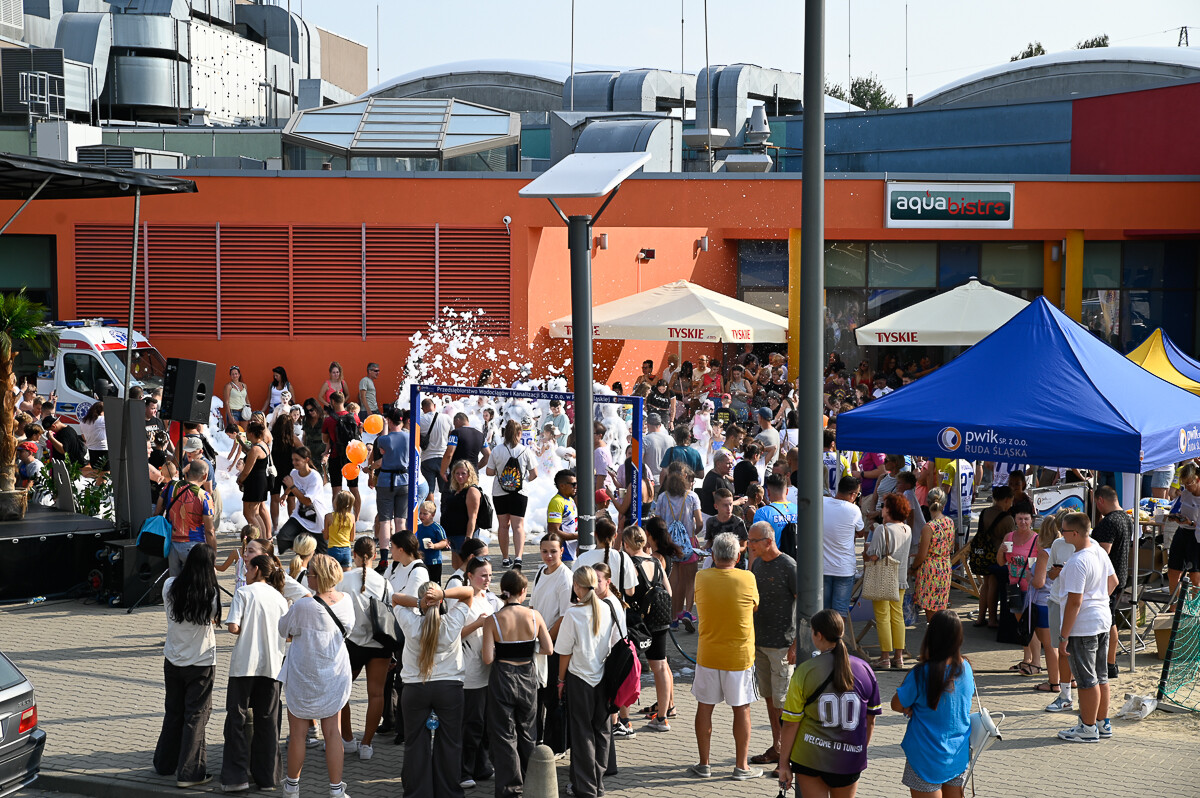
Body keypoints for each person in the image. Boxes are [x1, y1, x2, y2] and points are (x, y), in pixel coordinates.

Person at [777, 609, 881, 798]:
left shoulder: (805, 671)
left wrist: (783, 764)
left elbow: (791, 722)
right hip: (849, 759)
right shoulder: (865, 669)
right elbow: (870, 720)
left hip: (810, 757)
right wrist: (857, 752)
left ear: (819, 635)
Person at [278, 554, 354, 797]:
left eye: (309, 572)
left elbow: (283, 629)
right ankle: (336, 789)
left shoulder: (302, 605)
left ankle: (291, 787)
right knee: (333, 732)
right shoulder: (346, 601)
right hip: (334, 671)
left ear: (317, 576)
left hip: (303, 673)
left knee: (298, 733)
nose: (307, 574)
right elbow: (349, 630)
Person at [689, 532, 761, 780]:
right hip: (739, 655)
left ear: (713, 554)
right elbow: (754, 607)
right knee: (742, 709)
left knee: (704, 707)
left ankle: (704, 763)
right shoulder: (747, 578)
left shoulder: (701, 577)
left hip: (708, 653)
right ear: (738, 555)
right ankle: (742, 766)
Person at [393, 579, 474, 798]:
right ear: (440, 602)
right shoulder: (452, 622)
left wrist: (421, 602)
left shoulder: (410, 621)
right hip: (449, 688)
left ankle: (418, 793)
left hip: (415, 688)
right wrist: (442, 594)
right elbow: (469, 593)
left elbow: (395, 599)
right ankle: (448, 792)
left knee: (415, 743)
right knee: (450, 742)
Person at [154, 544, 221, 789]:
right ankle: (190, 772)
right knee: (196, 715)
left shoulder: (170, 586)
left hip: (172, 659)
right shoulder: (210, 594)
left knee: (173, 711)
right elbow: (213, 618)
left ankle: (164, 763)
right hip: (201, 662)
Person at [482, 569, 554, 798]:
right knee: (527, 730)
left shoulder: (493, 620)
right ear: (523, 592)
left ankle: (509, 788)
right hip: (527, 675)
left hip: (502, 675)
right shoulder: (535, 616)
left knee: (504, 733)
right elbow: (548, 649)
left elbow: (487, 658)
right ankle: (530, 778)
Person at [220, 553, 288, 792]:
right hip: (272, 666)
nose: (245, 573)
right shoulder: (280, 598)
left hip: (244, 665)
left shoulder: (243, 593)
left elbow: (233, 627)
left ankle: (235, 777)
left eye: (247, 569)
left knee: (236, 720)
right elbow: (286, 632)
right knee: (268, 721)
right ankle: (268, 777)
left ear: (257, 569)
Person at [891, 611, 974, 797]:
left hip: (924, 757)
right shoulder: (966, 668)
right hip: (957, 755)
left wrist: (908, 708)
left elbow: (896, 704)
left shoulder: (921, 673)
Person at [1054, 512, 1118, 743]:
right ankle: (1101, 723)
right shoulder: (1099, 551)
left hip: (1084, 627)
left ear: (1074, 533)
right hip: (1102, 620)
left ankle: (1088, 727)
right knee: (1101, 676)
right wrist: (1099, 600)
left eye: (1063, 531)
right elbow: (1113, 582)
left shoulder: (1076, 561)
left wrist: (1063, 635)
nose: (1061, 535)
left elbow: (1075, 602)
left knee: (1086, 679)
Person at [557, 566, 620, 798]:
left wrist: (560, 681)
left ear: (576, 586)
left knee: (582, 733)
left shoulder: (574, 613)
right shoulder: (608, 608)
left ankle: (585, 788)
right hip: (603, 677)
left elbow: (564, 652)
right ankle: (598, 784)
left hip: (579, 679)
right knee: (602, 732)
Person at [747, 520, 797, 774]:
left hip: (782, 646)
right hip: (760, 643)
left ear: (768, 541)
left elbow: (804, 605)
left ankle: (787, 757)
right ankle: (777, 747)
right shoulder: (755, 564)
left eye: (753, 541)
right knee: (769, 699)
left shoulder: (789, 566)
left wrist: (797, 644)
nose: (749, 545)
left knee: (783, 703)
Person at [334, 537, 390, 763]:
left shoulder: (344, 579)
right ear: (375, 555)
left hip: (353, 642)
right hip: (380, 643)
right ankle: (367, 743)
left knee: (342, 692)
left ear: (354, 554)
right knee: (376, 694)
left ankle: (347, 739)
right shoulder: (384, 581)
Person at [623, 524, 675, 732]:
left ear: (626, 543)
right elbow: (669, 592)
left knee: (629, 665)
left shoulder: (630, 564)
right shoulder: (656, 561)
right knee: (660, 666)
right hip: (659, 620)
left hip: (638, 623)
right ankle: (662, 717)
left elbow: (629, 591)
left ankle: (624, 717)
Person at [459, 557, 501, 789]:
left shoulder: (488, 599)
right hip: (470, 675)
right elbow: (453, 635)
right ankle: (463, 771)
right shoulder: (464, 602)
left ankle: (481, 766)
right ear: (470, 576)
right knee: (471, 725)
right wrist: (477, 624)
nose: (487, 580)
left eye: (490, 575)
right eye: (483, 575)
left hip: (488, 672)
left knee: (485, 724)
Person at [531, 532, 573, 744]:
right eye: (544, 551)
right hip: (537, 642)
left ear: (562, 551)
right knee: (537, 693)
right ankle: (537, 738)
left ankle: (556, 744)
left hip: (553, 644)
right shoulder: (540, 571)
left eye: (553, 552)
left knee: (552, 695)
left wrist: (545, 639)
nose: (548, 556)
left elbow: (565, 615)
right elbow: (533, 606)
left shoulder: (565, 577)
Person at [865, 493, 913, 670]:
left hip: (883, 577)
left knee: (883, 617)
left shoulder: (882, 530)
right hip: (900, 577)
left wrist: (867, 549)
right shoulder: (907, 529)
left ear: (889, 509)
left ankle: (885, 656)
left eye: (884, 506)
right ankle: (898, 656)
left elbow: (874, 555)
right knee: (897, 615)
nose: (882, 509)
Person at [1091, 485, 1132, 680]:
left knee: (1109, 621)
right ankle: (1110, 663)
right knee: (1111, 619)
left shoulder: (1109, 522)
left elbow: (1103, 551)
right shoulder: (1125, 517)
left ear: (1101, 501)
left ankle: (1109, 664)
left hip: (1108, 579)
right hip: (1121, 574)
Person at [654, 467, 703, 631]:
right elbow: (700, 522)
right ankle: (688, 612)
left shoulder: (662, 497)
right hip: (688, 543)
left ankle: (673, 617)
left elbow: (658, 522)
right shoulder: (692, 497)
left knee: (672, 581)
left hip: (669, 544)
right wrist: (692, 535)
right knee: (690, 580)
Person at [1039, 514, 1079, 712]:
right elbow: (1050, 574)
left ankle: (1068, 691)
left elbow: (1111, 581)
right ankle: (1065, 693)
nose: (1060, 533)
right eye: (1059, 529)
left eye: (1063, 529)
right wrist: (1056, 572)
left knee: (1071, 649)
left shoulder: (1092, 548)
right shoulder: (1057, 544)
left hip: (1076, 604)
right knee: (1061, 649)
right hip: (1057, 600)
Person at [487, 419, 539, 569]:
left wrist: (500, 472)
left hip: (499, 492)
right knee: (518, 526)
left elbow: (489, 472)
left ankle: (505, 558)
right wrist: (524, 480)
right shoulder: (525, 450)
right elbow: (534, 473)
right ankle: (518, 558)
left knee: (503, 526)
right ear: (519, 433)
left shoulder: (497, 450)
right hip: (520, 492)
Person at [998, 508, 1040, 674]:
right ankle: (1027, 658)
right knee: (1022, 625)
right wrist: (1001, 551)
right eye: (1020, 518)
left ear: (1031, 520)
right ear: (1015, 519)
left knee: (1031, 625)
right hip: (1014, 587)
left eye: (1026, 519)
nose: (1023, 522)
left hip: (1030, 589)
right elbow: (1001, 563)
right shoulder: (1009, 537)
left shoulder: (1037, 539)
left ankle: (1036, 663)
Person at [159, 460, 217, 576]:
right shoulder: (204, 497)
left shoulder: (170, 487)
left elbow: (157, 513)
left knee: (174, 583)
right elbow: (209, 531)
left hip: (172, 544)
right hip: (195, 546)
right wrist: (212, 554)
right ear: (205, 475)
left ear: (187, 474)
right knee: (193, 584)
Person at [970, 486, 1015, 628]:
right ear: (1007, 500)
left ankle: (980, 618)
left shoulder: (984, 512)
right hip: (996, 555)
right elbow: (1010, 541)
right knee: (993, 586)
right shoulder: (1007, 518)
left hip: (982, 554)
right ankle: (992, 619)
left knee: (985, 584)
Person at [821, 476, 865, 616]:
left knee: (824, 612)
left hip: (823, 567)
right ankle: (837, 638)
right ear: (853, 494)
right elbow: (861, 532)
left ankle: (824, 637)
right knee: (839, 614)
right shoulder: (854, 510)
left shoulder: (822, 502)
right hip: (844, 569)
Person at [911, 488, 955, 623]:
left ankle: (936, 638)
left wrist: (913, 567)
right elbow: (950, 547)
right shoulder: (949, 522)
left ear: (927, 502)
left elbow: (922, 555)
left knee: (930, 610)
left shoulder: (928, 527)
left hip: (930, 570)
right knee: (940, 607)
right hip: (945, 567)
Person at [276, 447, 329, 555]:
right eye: (293, 460)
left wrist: (292, 487)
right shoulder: (294, 473)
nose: (294, 462)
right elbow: (293, 481)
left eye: (297, 460)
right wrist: (286, 494)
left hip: (317, 521)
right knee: (282, 538)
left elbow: (307, 501)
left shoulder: (315, 477)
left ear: (306, 460)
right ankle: (303, 551)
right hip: (300, 517)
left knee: (321, 556)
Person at [370, 407, 410, 550]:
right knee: (401, 521)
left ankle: (384, 556)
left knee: (385, 521)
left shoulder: (383, 439)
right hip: (404, 480)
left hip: (386, 481)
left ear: (389, 421)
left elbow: (383, 446)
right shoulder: (409, 437)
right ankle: (400, 552)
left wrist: (385, 426)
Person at [322, 392, 362, 521]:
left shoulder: (328, 420)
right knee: (354, 489)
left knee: (336, 491)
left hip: (335, 457)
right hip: (352, 458)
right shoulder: (354, 417)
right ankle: (355, 520)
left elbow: (324, 440)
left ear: (333, 402)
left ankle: (337, 520)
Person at [443, 460, 487, 569]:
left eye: (463, 473)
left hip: (463, 536)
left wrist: (468, 538)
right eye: (457, 473)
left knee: (468, 567)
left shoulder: (472, 491)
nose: (460, 476)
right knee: (457, 567)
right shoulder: (456, 490)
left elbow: (473, 517)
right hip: (453, 535)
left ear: (469, 474)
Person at [1167, 462, 1200, 606]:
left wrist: (1191, 523)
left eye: (1189, 483)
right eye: (1184, 484)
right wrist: (1177, 517)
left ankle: (1194, 609)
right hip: (1182, 533)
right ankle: (1174, 607)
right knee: (1173, 571)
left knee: (1195, 576)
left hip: (1196, 537)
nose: (1186, 487)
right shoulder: (1185, 493)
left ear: (1198, 479)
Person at [236, 421, 273, 543]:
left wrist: (240, 479)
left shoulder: (255, 449)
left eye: (247, 433)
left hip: (254, 483)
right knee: (256, 514)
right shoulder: (264, 445)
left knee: (249, 514)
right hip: (261, 482)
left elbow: (246, 471)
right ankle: (264, 540)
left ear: (251, 433)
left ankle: (260, 540)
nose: (246, 435)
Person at [269, 414, 299, 534]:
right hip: (289, 471)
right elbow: (303, 451)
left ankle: (275, 526)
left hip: (275, 471)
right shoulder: (292, 438)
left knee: (275, 498)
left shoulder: (272, 437)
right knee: (291, 499)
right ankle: (292, 527)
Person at [419, 399, 454, 498]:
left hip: (427, 459)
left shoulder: (421, 420)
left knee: (429, 490)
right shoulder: (447, 418)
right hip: (444, 458)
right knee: (446, 490)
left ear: (423, 409)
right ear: (434, 406)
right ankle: (444, 512)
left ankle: (430, 513)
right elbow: (452, 435)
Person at [442, 412, 489, 484]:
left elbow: (449, 454)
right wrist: (475, 467)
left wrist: (443, 471)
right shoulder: (481, 435)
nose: (454, 427)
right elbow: (488, 454)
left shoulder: (456, 433)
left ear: (457, 420)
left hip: (458, 476)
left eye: (454, 424)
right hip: (473, 476)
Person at [546, 469, 580, 561]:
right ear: (562, 486)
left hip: (572, 554)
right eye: (573, 484)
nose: (576, 487)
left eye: (576, 484)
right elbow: (553, 531)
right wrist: (579, 536)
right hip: (564, 556)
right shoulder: (556, 502)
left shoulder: (570, 500)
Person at [415, 500, 449, 584]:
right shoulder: (418, 527)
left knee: (434, 583)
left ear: (432, 515)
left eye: (425, 514)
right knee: (422, 582)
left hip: (434, 561)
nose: (421, 516)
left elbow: (444, 542)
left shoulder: (437, 528)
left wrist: (434, 546)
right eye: (421, 513)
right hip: (421, 560)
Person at [322, 490, 356, 570]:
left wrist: (325, 532)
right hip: (346, 550)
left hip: (333, 550)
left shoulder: (328, 516)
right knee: (346, 578)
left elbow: (326, 537)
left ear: (336, 503)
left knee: (333, 578)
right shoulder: (352, 517)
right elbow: (352, 538)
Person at [80, 402, 108, 472]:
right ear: (102, 411)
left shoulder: (84, 421)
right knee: (104, 474)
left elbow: (83, 437)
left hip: (91, 450)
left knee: (98, 473)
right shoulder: (102, 420)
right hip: (103, 449)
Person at [224, 365, 249, 432]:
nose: (234, 376)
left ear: (239, 374)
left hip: (243, 411)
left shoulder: (244, 385)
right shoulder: (228, 386)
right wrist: (230, 416)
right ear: (230, 376)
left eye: (236, 374)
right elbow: (226, 402)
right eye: (232, 374)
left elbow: (247, 399)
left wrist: (249, 410)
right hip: (233, 411)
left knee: (244, 432)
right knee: (235, 432)